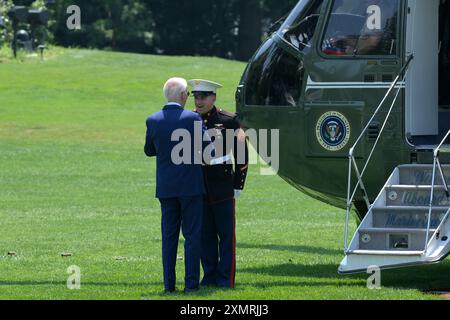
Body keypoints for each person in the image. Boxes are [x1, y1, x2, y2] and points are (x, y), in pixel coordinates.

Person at [144, 77, 211, 293]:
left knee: (169, 237)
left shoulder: (152, 120)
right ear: (183, 96)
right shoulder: (193, 118)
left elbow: (149, 151)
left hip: (166, 187)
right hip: (191, 186)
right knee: (192, 236)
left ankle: (168, 285)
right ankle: (191, 285)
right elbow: (207, 149)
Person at [188, 79, 249, 288]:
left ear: (213, 97)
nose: (199, 101)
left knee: (226, 236)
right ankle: (210, 276)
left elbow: (241, 153)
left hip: (222, 186)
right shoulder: (188, 120)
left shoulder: (228, 120)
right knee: (205, 236)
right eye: (196, 96)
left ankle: (225, 279)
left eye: (203, 96)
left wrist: (238, 185)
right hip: (198, 187)